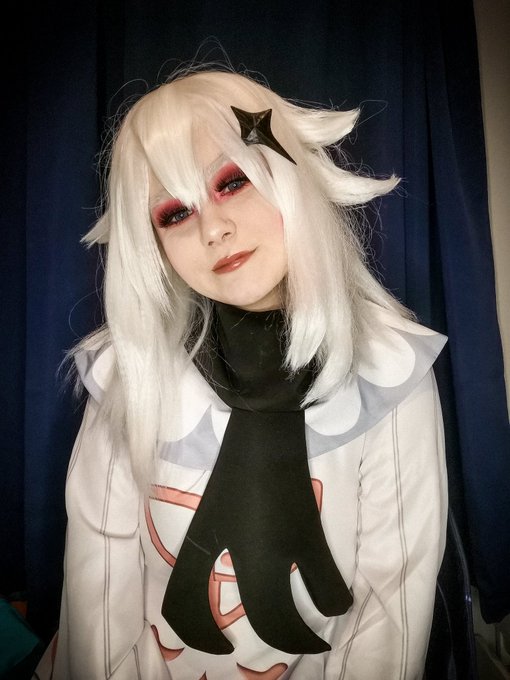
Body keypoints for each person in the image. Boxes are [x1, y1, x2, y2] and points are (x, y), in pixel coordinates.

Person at [34, 65, 448, 680]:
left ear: (288, 174)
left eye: (232, 182)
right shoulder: (130, 375)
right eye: (175, 213)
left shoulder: (390, 373)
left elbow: (391, 608)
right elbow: (99, 590)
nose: (213, 229)